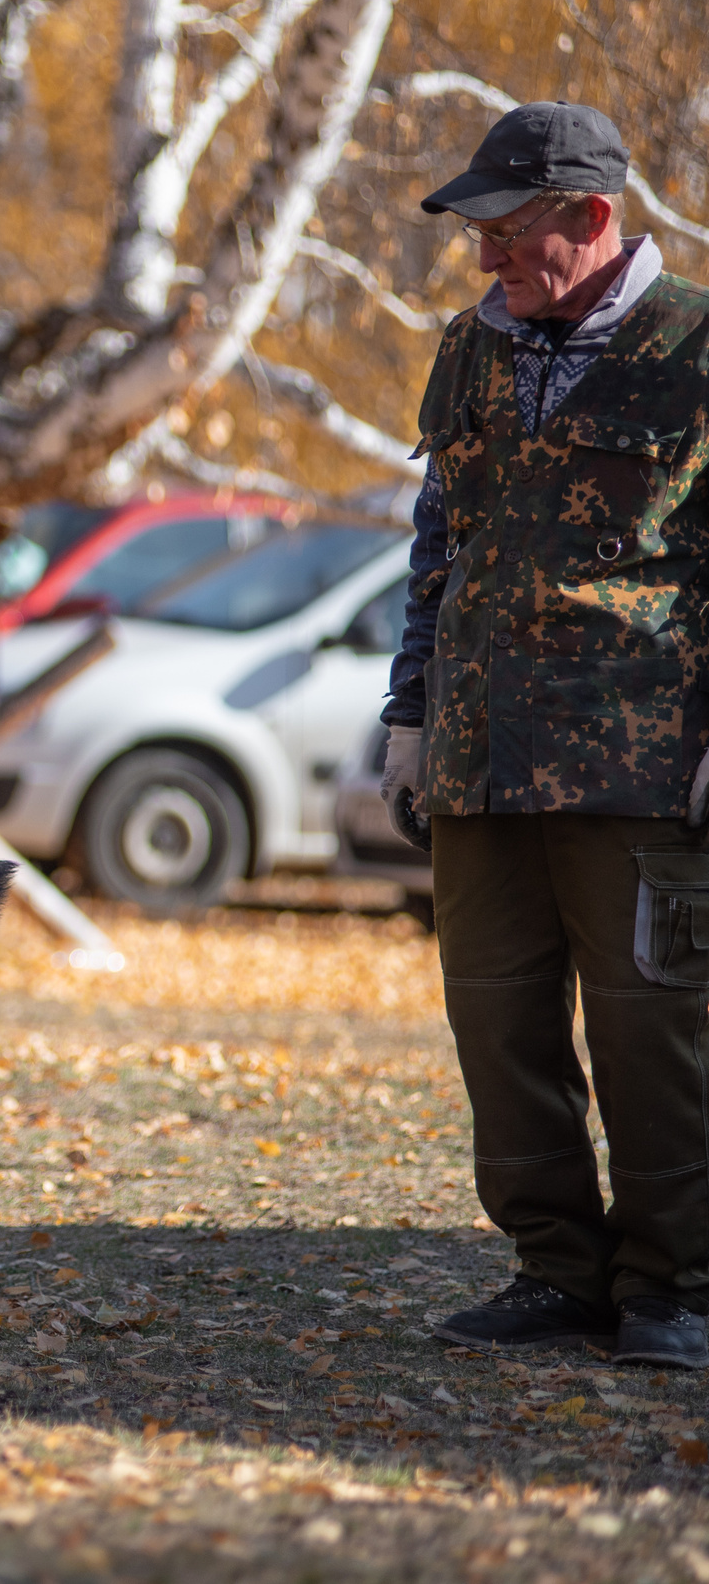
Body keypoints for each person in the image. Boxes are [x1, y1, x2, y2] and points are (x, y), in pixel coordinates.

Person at [380, 101, 709, 1371]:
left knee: (654, 1034)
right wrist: (407, 716)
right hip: (478, 755)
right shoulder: (470, 350)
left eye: (508, 232)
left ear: (591, 216)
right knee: (499, 1025)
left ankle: (675, 1287)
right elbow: (436, 544)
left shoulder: (695, 350)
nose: (482, 261)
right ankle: (555, 1270)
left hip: (639, 762)